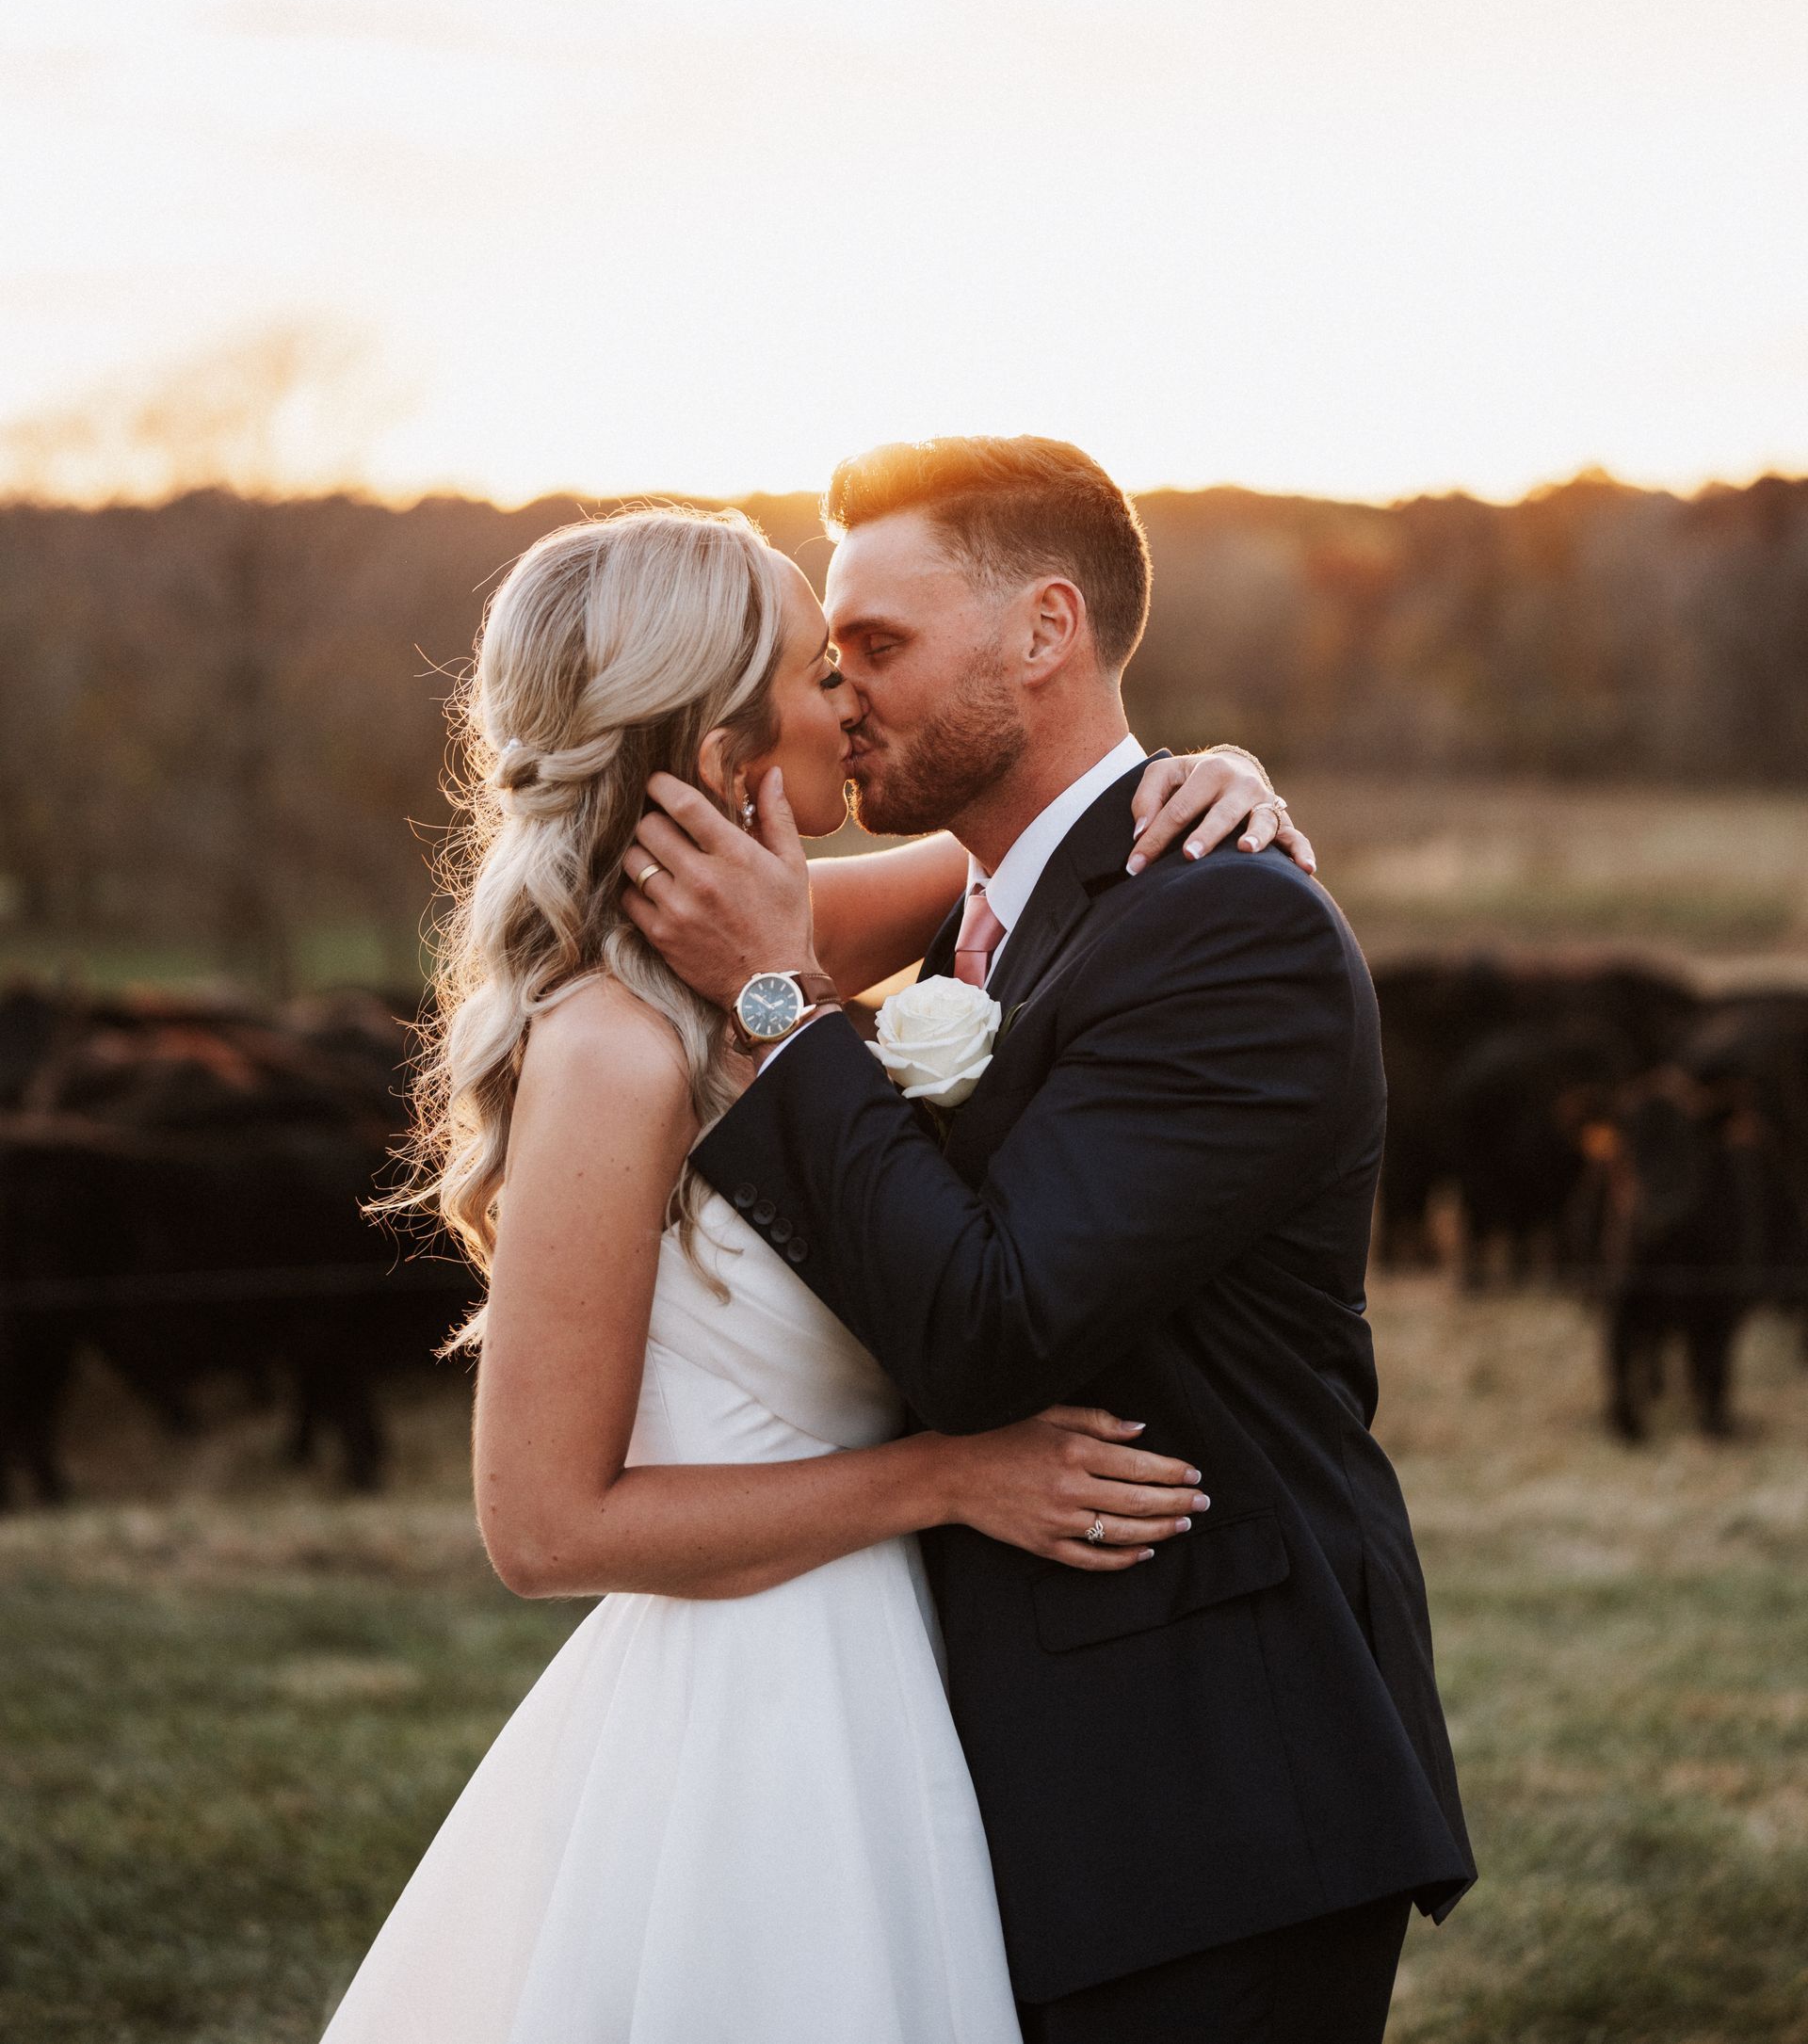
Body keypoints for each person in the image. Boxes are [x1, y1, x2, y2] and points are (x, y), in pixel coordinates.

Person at [321, 503, 1312, 2044]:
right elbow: (538, 1524)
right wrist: (946, 1476)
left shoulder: (756, 945)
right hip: (750, 1710)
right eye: (813, 666)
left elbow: (1022, 852)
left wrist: (1215, 775)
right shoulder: (606, 1043)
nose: (846, 695)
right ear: (723, 744)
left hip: (892, 1673)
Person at [627, 437, 1476, 2044]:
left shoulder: (1229, 919)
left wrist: (775, 1000)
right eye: (831, 656)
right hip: (1018, 1771)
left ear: (1044, 631)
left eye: (879, 644)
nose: (842, 689)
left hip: (1210, 1789)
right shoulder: (987, 912)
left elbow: (992, 1325)